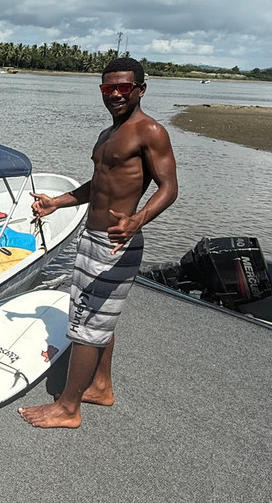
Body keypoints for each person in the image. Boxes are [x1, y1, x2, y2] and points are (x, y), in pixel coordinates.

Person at [19, 57, 178, 429]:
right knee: (97, 316)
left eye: (124, 87)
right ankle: (102, 386)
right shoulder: (108, 135)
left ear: (140, 88)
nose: (116, 95)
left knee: (87, 322)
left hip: (116, 244)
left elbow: (169, 187)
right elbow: (100, 185)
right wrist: (57, 202)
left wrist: (138, 219)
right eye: (109, 88)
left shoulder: (150, 131)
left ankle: (68, 407)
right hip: (91, 238)